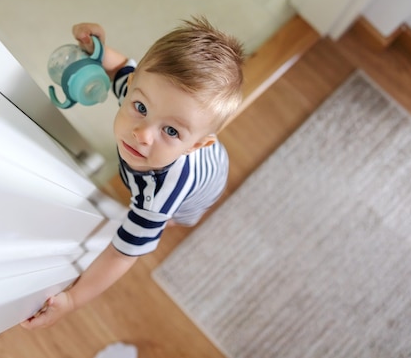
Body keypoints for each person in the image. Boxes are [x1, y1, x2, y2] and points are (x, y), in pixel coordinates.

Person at [21, 16, 244, 329]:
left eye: (170, 130)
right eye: (140, 108)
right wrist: (96, 52)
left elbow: (122, 254)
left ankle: (174, 221)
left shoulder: (159, 198)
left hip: (200, 189)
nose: (142, 134)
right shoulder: (136, 87)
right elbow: (122, 66)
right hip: (201, 157)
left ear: (196, 145)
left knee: (173, 218)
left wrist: (73, 299)